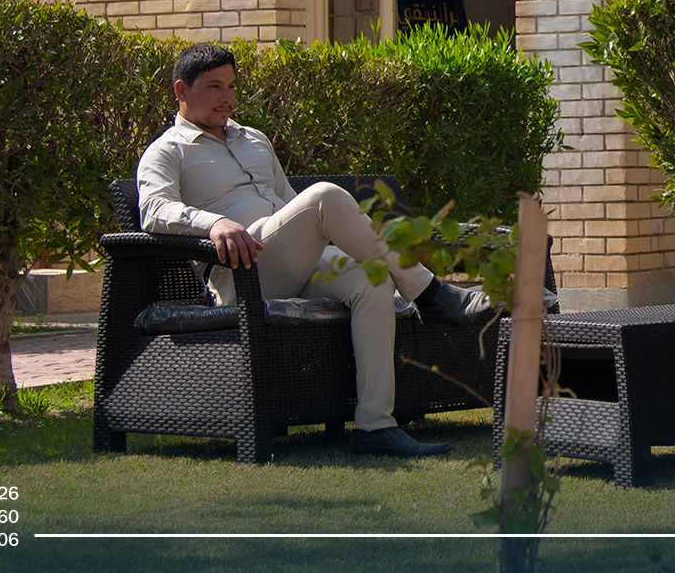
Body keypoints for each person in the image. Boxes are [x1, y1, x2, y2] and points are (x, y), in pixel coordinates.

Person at [136, 42, 492, 458]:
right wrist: (213, 223)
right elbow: (154, 209)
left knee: (372, 281)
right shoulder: (168, 150)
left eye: (231, 86)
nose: (227, 97)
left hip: (291, 259)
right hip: (242, 273)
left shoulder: (254, 140)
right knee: (324, 195)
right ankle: (432, 294)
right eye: (215, 87)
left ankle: (375, 426)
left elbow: (289, 203)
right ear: (181, 90)